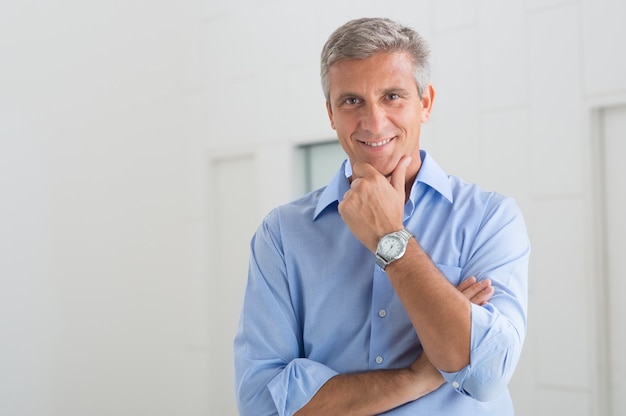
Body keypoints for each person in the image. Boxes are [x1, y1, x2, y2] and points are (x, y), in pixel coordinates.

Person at [234, 17, 530, 415]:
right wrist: (417, 376)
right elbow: (261, 404)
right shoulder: (283, 234)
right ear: (331, 114)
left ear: (424, 104)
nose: (374, 122)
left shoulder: (490, 219)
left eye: (392, 96)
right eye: (352, 100)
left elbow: (486, 374)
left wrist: (390, 236)